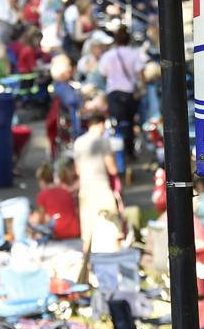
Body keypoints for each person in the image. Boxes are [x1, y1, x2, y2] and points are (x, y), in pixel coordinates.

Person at [73, 111, 120, 254]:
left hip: (85, 189)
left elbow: (78, 170)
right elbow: (112, 168)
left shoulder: (78, 142)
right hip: (101, 187)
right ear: (100, 124)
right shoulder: (103, 141)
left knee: (87, 231)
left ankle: (86, 265)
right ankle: (118, 257)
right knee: (113, 227)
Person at [99, 25, 146, 161]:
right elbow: (141, 73)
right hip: (129, 93)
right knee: (129, 123)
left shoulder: (108, 56)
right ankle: (130, 151)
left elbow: (103, 73)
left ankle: (117, 153)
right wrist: (141, 89)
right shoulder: (134, 53)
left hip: (113, 93)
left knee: (116, 124)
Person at [31, 162, 80, 241]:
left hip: (59, 233)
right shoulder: (65, 191)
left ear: (42, 181)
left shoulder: (42, 195)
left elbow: (41, 218)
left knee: (33, 224)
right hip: (75, 230)